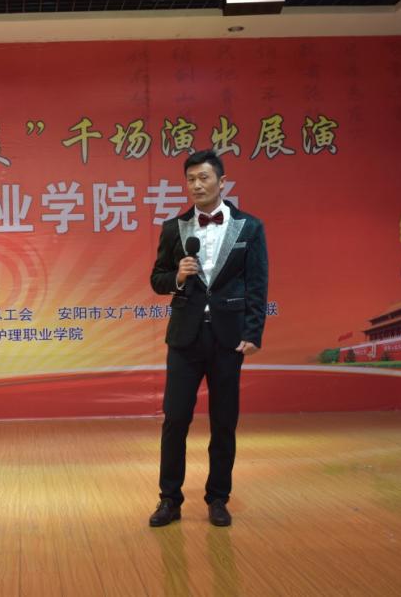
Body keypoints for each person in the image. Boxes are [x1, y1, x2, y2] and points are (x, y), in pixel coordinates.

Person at [149, 149, 268, 528]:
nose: (197, 185)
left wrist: (253, 332)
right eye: (190, 179)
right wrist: (178, 276)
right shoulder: (174, 228)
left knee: (224, 421)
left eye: (204, 177)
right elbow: (157, 280)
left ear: (221, 181)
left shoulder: (249, 227)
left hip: (228, 339)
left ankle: (218, 498)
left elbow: (257, 284)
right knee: (175, 419)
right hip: (185, 338)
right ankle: (169, 500)